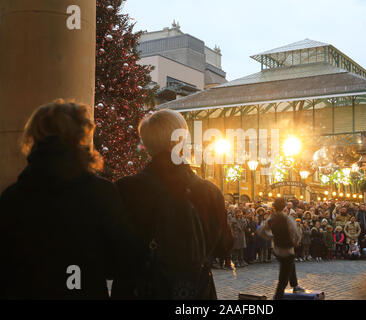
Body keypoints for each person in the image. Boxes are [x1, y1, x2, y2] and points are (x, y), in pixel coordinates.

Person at [0, 100, 133, 299]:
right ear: (82, 135)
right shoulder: (101, 193)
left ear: (34, 136)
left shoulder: (11, 198)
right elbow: (124, 261)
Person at [114, 109, 233, 299]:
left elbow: (114, 248)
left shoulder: (125, 189)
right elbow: (224, 246)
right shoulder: (209, 191)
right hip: (193, 293)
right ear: (182, 140)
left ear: (145, 144)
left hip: (139, 290)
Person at [257, 198, 304, 300]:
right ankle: (278, 297)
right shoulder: (287, 218)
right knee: (283, 277)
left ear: (273, 207)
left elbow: (261, 231)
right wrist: (296, 241)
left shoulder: (270, 219)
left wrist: (272, 236)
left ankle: (295, 285)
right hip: (287, 249)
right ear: (284, 207)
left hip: (277, 249)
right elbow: (296, 232)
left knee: (290, 264)